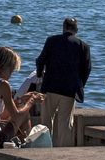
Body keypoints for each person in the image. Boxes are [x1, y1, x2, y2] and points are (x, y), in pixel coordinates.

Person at [36, 16, 92, 147]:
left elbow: (40, 60)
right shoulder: (83, 46)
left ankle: (44, 147)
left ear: (63, 28)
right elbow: (87, 69)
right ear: (76, 30)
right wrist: (80, 84)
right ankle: (62, 149)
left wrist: (40, 75)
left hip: (50, 87)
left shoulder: (51, 41)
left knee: (46, 121)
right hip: (69, 90)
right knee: (65, 123)